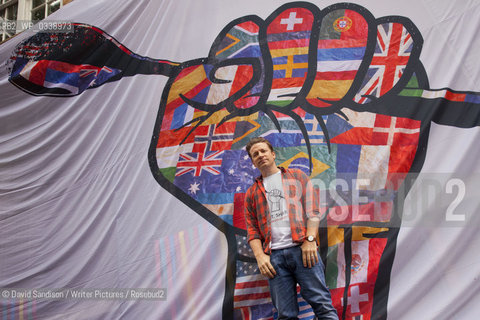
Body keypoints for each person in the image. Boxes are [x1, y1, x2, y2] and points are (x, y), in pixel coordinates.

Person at [244, 137, 338, 320]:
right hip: (275, 259)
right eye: (255, 154)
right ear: (253, 162)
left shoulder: (297, 176)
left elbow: (313, 211)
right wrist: (260, 256)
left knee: (323, 306)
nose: (260, 155)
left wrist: (310, 240)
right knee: (285, 315)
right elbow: (252, 230)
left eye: (263, 151)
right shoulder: (251, 193)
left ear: (273, 154)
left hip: (303, 251)